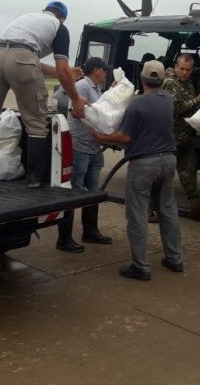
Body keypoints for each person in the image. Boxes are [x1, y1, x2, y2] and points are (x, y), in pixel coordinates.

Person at [0, 2, 87, 190]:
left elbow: (25, 60)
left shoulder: (27, 20)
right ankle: (34, 179)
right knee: (36, 122)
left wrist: (61, 72)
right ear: (63, 17)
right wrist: (76, 99)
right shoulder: (59, 27)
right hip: (23, 57)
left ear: (45, 11)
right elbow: (27, 62)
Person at [91, 60, 183, 281]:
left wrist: (99, 136)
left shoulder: (136, 104)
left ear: (142, 79)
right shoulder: (168, 100)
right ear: (162, 80)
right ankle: (174, 258)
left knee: (138, 213)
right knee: (167, 210)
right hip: (168, 160)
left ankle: (140, 266)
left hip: (144, 163)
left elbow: (124, 137)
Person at [56, 57, 114, 253]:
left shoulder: (97, 89)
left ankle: (90, 231)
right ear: (96, 70)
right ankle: (64, 239)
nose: (106, 73)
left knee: (94, 191)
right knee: (74, 191)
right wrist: (98, 115)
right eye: (105, 70)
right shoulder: (81, 86)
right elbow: (75, 112)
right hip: (80, 146)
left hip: (94, 147)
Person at [163, 54, 200, 219]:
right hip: (170, 138)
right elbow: (176, 108)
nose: (185, 72)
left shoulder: (187, 84)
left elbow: (190, 110)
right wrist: (197, 100)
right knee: (163, 175)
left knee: (189, 169)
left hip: (184, 137)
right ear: (176, 67)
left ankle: (195, 204)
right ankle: (150, 208)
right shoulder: (170, 83)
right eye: (182, 69)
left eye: (188, 70)